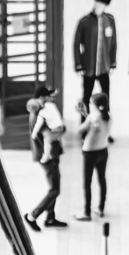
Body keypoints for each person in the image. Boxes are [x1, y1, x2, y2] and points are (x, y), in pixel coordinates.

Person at [24, 86, 67, 230]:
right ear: (42, 98)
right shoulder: (40, 115)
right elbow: (49, 135)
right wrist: (62, 130)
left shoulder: (38, 111)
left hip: (49, 154)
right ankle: (32, 216)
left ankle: (50, 218)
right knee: (55, 190)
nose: (52, 98)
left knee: (54, 186)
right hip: (47, 156)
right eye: (49, 96)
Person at [73, 93, 111, 221]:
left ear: (94, 105)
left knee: (87, 183)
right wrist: (85, 114)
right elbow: (96, 125)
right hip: (103, 151)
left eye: (90, 103)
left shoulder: (92, 118)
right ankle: (100, 208)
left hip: (90, 153)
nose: (89, 105)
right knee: (102, 180)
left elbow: (79, 130)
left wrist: (81, 115)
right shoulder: (108, 116)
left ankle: (86, 212)